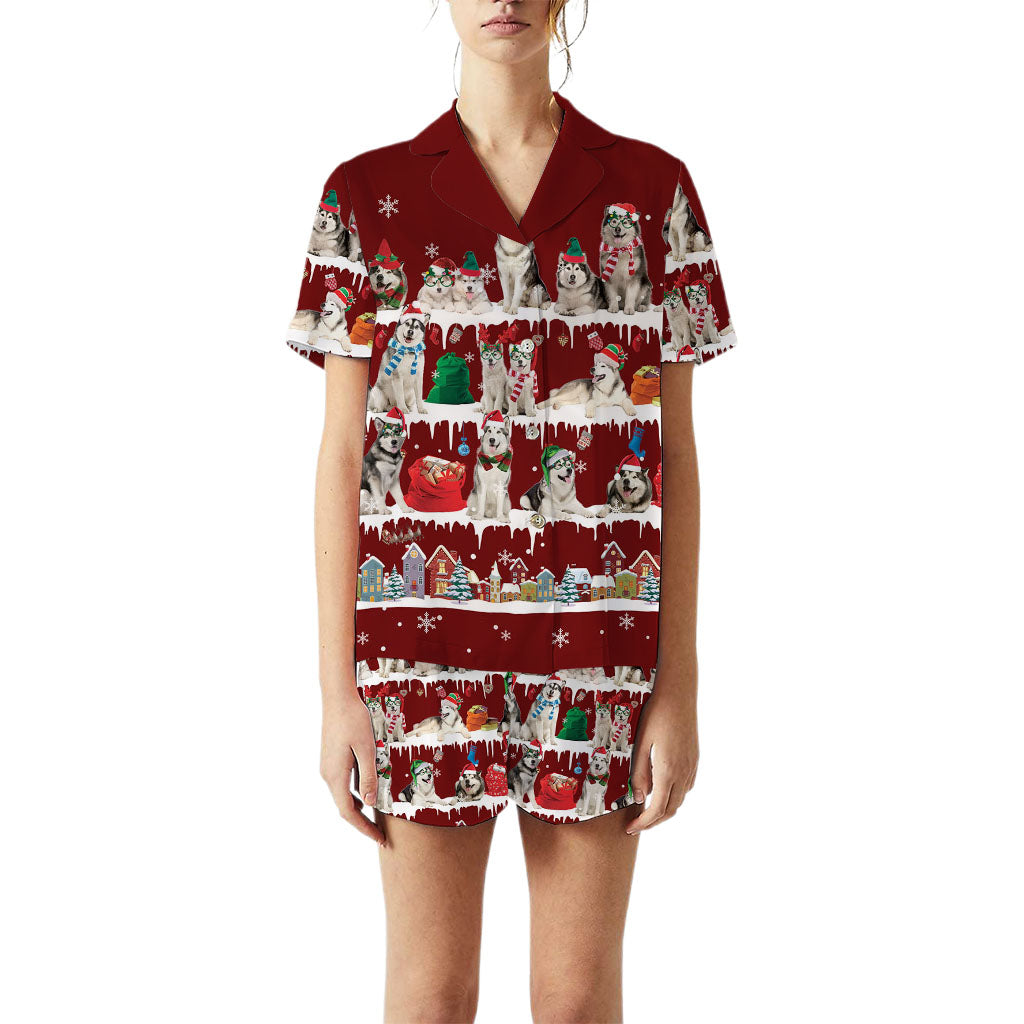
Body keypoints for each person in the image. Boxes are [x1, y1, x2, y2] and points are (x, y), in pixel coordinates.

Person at [284, 2, 736, 1019]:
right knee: (431, 996)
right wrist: (336, 691)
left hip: (598, 647)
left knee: (575, 999)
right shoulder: (365, 198)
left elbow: (673, 452)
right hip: (419, 652)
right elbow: (344, 453)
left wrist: (678, 680)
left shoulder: (652, 194)